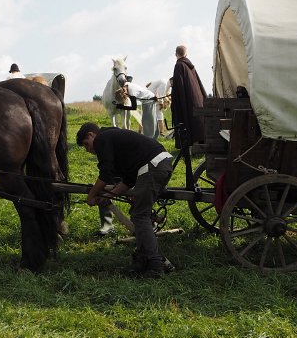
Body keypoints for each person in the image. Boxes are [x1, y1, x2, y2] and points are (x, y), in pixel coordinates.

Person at [76, 122, 175, 278]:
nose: (89, 150)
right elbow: (128, 180)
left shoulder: (102, 139)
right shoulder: (113, 139)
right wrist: (108, 196)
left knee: (140, 215)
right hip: (159, 163)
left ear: (91, 135)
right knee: (138, 212)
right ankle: (143, 258)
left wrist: (91, 195)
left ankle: (155, 265)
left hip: (152, 166)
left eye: (86, 145)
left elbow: (105, 174)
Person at [171, 45, 207, 148]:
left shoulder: (179, 65)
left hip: (187, 100)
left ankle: (190, 144)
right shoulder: (191, 66)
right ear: (186, 54)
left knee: (188, 118)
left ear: (176, 54)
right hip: (196, 100)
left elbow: (178, 87)